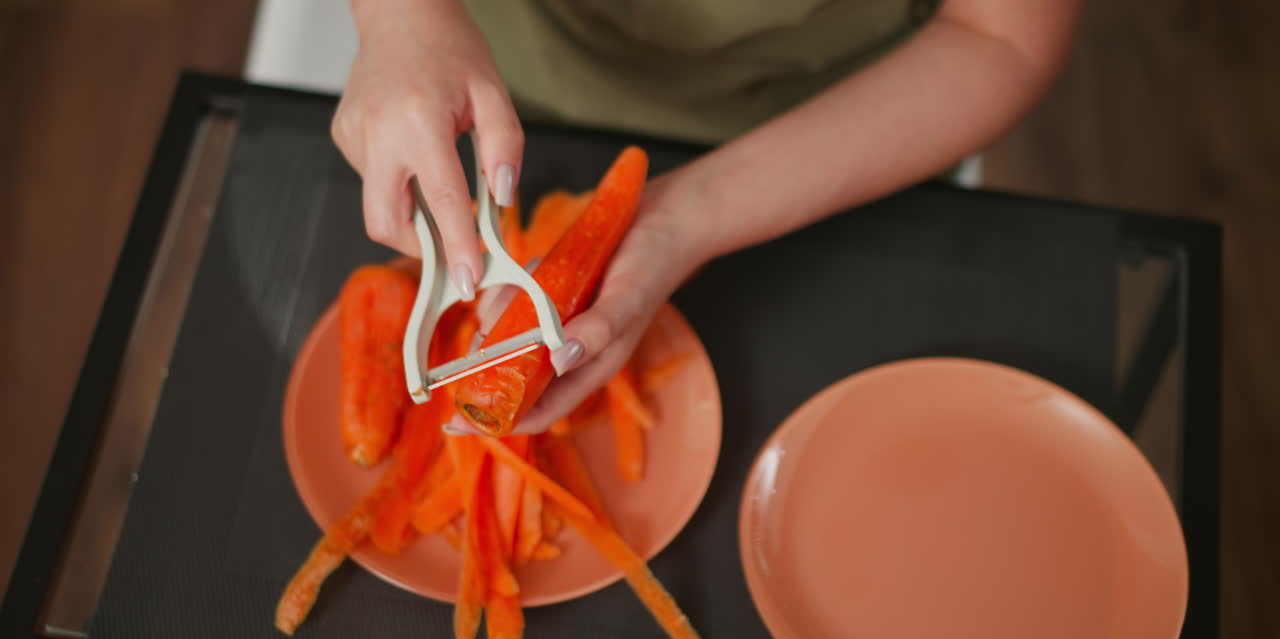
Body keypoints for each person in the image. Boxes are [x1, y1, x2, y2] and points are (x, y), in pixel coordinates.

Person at [331, 0, 1081, 433]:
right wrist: (404, 19)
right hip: (498, 89)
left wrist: (690, 212)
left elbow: (1001, 35)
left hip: (830, 146)